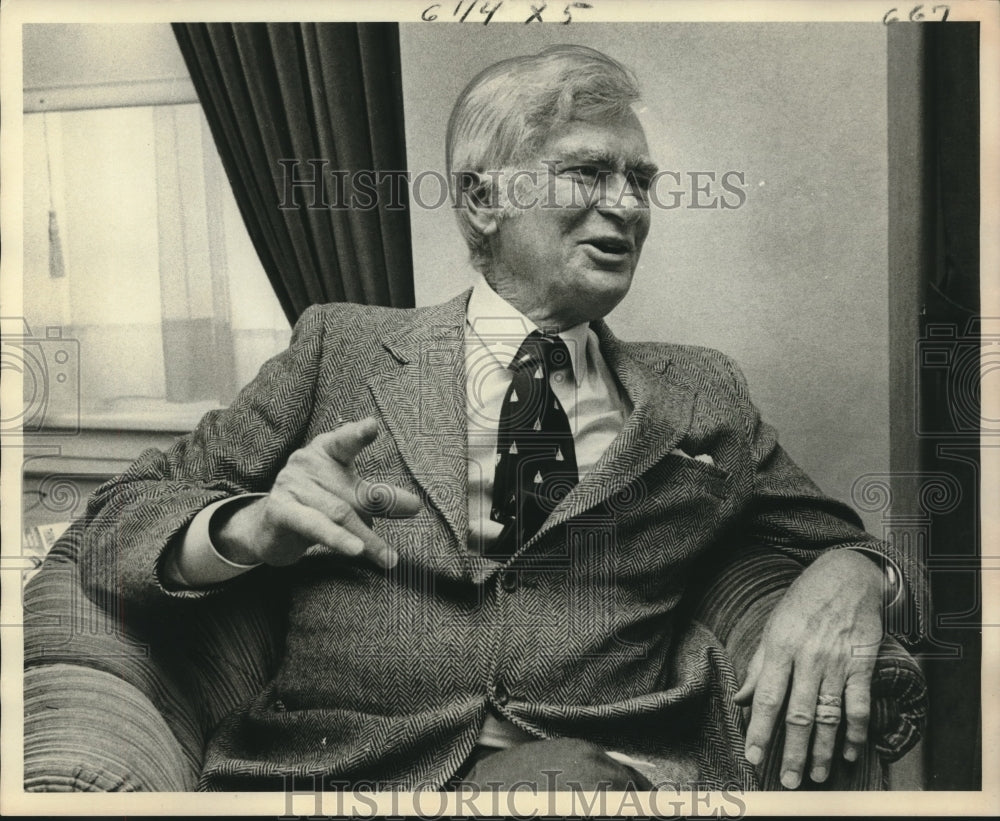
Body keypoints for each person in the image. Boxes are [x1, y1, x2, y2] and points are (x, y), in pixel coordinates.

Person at [79, 45, 925, 792]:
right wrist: (249, 528)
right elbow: (112, 521)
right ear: (484, 200)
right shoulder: (342, 347)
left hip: (605, 767)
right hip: (346, 771)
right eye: (591, 173)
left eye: (641, 182)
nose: (628, 207)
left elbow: (854, 543)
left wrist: (855, 577)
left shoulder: (700, 392)